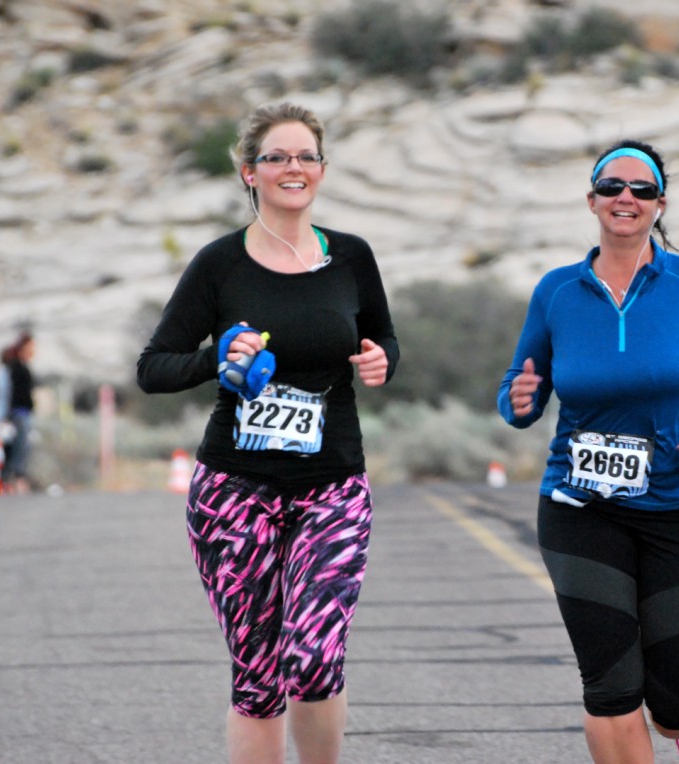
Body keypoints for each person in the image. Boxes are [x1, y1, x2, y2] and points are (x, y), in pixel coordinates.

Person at [137, 102, 399, 764]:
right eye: (277, 157)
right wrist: (217, 361)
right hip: (234, 490)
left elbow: (383, 336)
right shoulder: (219, 264)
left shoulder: (351, 257)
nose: (294, 167)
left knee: (313, 657)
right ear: (250, 172)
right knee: (258, 679)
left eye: (306, 156)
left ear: (322, 169)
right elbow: (153, 369)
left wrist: (382, 360)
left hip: (333, 485)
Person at [498, 139, 679, 764]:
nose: (626, 198)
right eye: (612, 186)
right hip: (580, 507)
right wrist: (521, 397)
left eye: (641, 189)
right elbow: (517, 393)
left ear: (659, 204)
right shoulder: (558, 291)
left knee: (677, 701)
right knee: (611, 686)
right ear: (591, 200)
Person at [1, 331, 36, 494]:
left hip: (24, 413)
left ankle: (13, 479)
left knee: (22, 447)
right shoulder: (15, 368)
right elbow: (10, 393)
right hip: (18, 413)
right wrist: (6, 416)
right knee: (19, 447)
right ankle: (14, 479)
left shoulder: (21, 366)